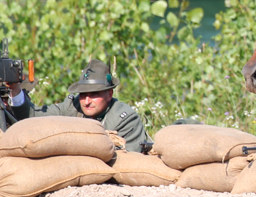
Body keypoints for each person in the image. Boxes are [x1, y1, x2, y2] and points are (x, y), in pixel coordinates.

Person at [9, 58, 153, 153]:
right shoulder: (73, 105)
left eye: (94, 94)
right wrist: (15, 90)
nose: (87, 101)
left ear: (109, 94)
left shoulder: (125, 119)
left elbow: (128, 160)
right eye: (83, 94)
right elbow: (33, 117)